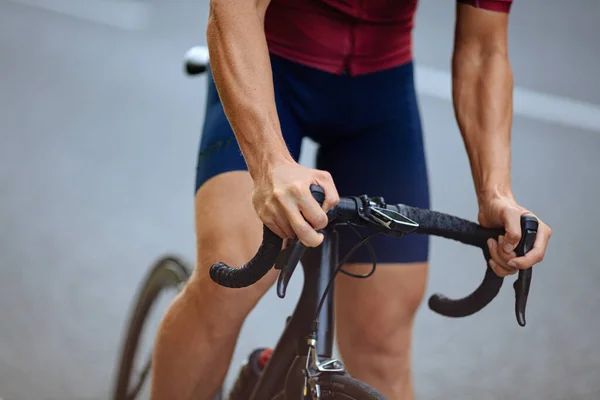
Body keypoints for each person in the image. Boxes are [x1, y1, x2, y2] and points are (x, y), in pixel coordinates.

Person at [150, 0, 552, 399]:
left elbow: (484, 50)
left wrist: (496, 191)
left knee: (383, 343)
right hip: (268, 65)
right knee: (230, 283)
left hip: (379, 97)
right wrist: (271, 164)